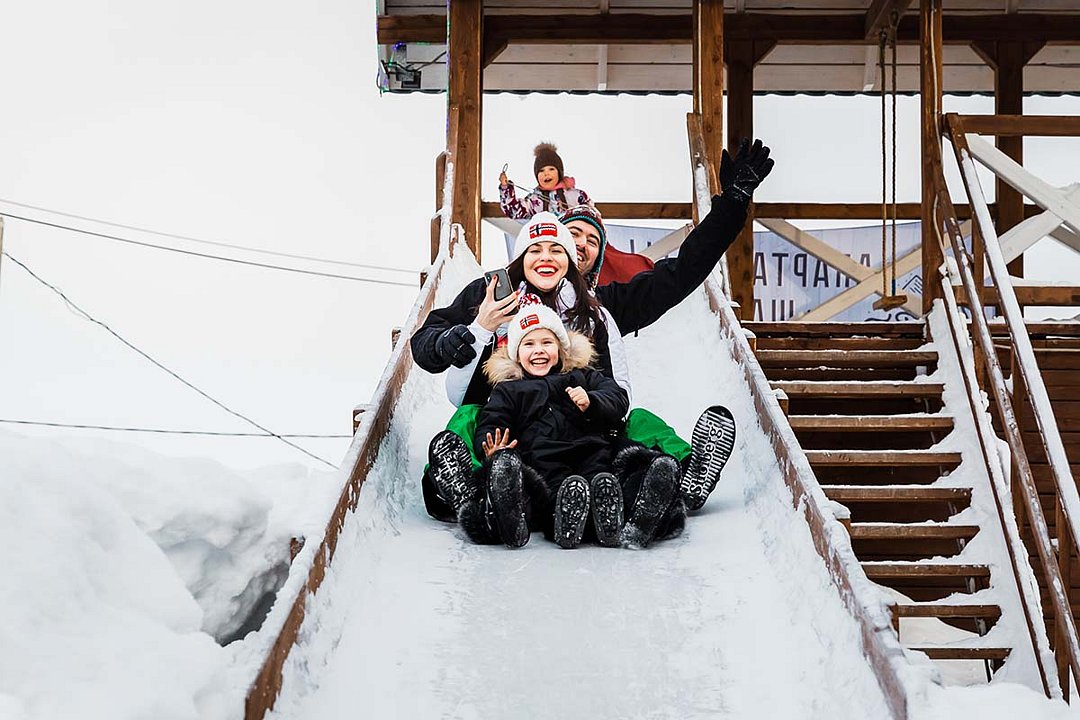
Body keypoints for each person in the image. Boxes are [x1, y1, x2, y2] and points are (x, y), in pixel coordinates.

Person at [415, 137, 773, 520]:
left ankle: (684, 476)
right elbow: (426, 341)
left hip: (580, 432)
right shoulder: (493, 294)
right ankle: (462, 488)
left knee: (639, 423)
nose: (581, 245)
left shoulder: (602, 307)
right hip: (509, 430)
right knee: (466, 418)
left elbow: (681, 273)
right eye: (572, 236)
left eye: (591, 241)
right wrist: (456, 339)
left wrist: (731, 206)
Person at [431, 303, 685, 550]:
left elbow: (617, 397)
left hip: (593, 450)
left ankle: (640, 513)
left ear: (561, 349)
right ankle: (561, 523)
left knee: (609, 478)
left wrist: (592, 401)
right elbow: (492, 421)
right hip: (542, 458)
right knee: (552, 491)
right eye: (529, 344)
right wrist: (492, 448)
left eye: (547, 343)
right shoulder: (509, 391)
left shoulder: (582, 376)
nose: (538, 350)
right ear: (516, 354)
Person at [499, 142, 592, 220]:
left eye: (551, 169)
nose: (546, 174)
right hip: (545, 235)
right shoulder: (534, 200)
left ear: (559, 172)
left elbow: (592, 217)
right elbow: (514, 211)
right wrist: (505, 188)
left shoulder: (577, 196)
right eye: (541, 171)